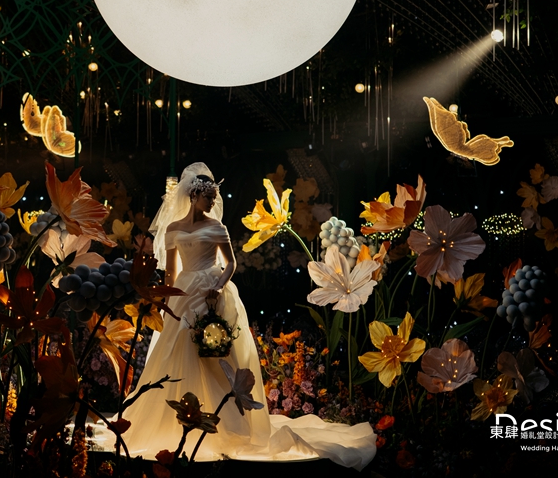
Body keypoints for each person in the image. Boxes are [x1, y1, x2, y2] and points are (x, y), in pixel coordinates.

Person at [120, 163, 376, 470]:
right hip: (185, 292)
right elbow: (172, 271)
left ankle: (225, 425)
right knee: (179, 350)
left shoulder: (218, 228)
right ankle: (180, 420)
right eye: (208, 198)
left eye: (214, 198)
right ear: (193, 196)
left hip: (212, 290)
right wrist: (166, 300)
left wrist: (217, 286)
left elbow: (230, 264)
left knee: (217, 354)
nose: (212, 202)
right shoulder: (174, 229)